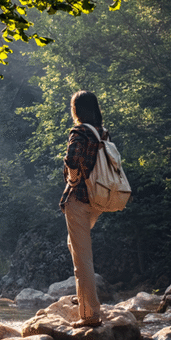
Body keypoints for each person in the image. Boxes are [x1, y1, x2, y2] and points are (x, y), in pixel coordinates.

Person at [59, 90, 106, 328]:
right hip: (96, 199)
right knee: (74, 245)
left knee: (82, 258)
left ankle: (89, 314)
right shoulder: (101, 132)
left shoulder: (79, 131)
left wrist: (74, 180)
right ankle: (85, 297)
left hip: (78, 199)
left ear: (76, 109)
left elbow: (72, 158)